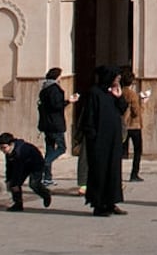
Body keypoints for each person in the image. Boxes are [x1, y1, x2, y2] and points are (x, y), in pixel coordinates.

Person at [78, 65, 129, 216]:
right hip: (99, 141)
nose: (117, 80)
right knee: (99, 172)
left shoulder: (112, 92)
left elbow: (122, 109)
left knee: (113, 171)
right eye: (116, 77)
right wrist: (92, 137)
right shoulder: (94, 93)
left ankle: (111, 202)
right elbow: (90, 117)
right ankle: (99, 205)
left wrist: (119, 96)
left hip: (113, 140)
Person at [37, 67, 78, 186]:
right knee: (61, 148)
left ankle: (47, 177)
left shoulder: (44, 88)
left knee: (49, 148)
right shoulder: (54, 89)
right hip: (55, 123)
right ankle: (46, 163)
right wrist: (69, 101)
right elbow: (56, 106)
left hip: (46, 123)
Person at [0, 132, 53, 211]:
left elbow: (18, 170)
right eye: (1, 148)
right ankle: (18, 205)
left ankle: (46, 194)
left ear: (11, 144)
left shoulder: (20, 152)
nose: (3, 150)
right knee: (13, 184)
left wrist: (15, 182)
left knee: (34, 184)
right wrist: (8, 180)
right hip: (24, 166)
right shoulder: (9, 152)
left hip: (36, 164)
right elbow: (9, 167)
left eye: (4, 147)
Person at [120, 68, 145, 182]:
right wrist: (143, 103)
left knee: (120, 150)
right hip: (134, 125)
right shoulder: (132, 95)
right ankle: (134, 174)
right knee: (137, 150)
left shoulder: (120, 92)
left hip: (122, 125)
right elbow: (136, 112)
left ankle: (117, 173)